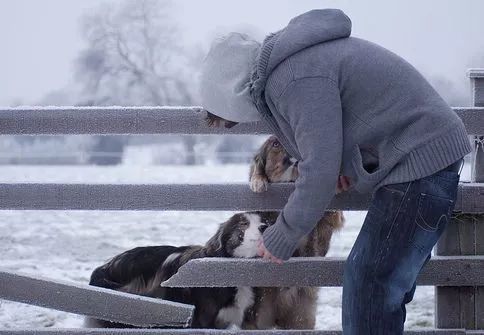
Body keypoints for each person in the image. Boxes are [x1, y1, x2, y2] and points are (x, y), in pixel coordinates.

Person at [198, 9, 472, 334]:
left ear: (232, 91)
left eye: (228, 115)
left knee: (370, 284)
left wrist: (283, 234)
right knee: (378, 286)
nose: (237, 122)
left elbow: (319, 168)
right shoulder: (294, 70)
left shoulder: (294, 79)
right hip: (419, 162)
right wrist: (345, 163)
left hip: (421, 162)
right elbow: (343, 126)